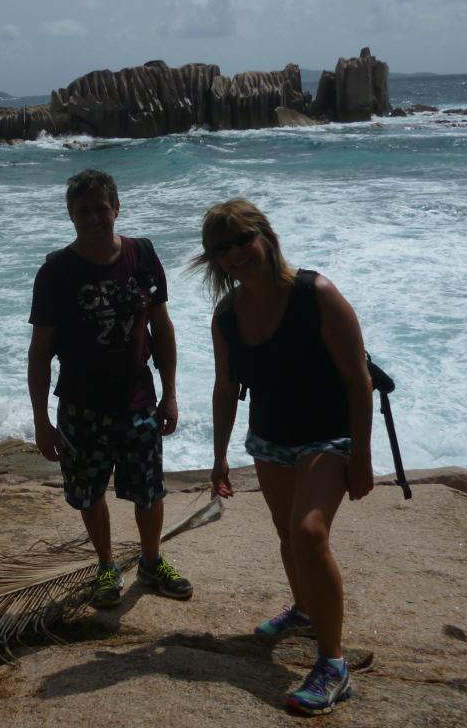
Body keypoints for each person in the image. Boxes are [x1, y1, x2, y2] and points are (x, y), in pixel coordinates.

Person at [192, 198, 374, 716]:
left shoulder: (316, 294)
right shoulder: (227, 315)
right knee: (285, 534)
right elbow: (226, 389)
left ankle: (333, 665)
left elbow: (357, 381)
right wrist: (220, 457)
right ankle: (305, 608)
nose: (234, 253)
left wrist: (361, 455)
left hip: (328, 436)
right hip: (270, 438)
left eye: (241, 239)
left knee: (309, 533)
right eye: (221, 248)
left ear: (265, 236)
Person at [28, 169, 192, 609]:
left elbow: (162, 326)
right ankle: (105, 566)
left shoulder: (142, 255)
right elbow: (39, 352)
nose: (95, 218)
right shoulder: (56, 272)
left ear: (116, 208)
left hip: (137, 397)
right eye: (84, 211)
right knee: (89, 491)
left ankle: (152, 561)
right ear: (71, 216)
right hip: (81, 406)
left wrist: (171, 393)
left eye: (102, 208)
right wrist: (42, 422)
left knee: (149, 488)